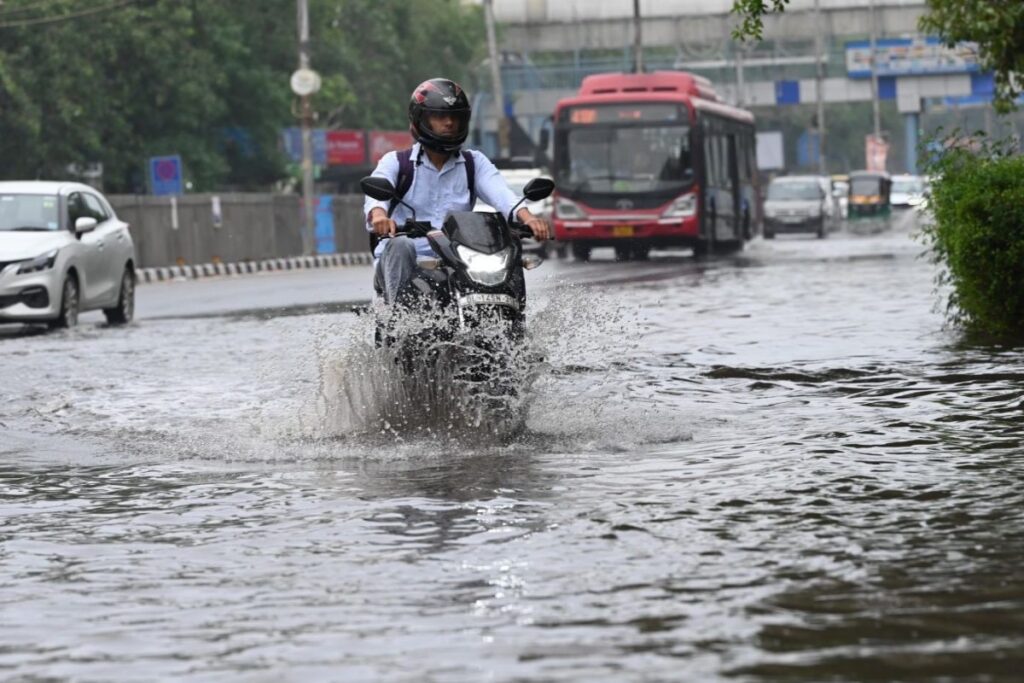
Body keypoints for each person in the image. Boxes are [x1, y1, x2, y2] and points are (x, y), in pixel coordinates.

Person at [364, 77, 550, 304]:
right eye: (439, 116)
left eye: (455, 117)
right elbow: (376, 195)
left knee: (509, 251)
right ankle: (399, 319)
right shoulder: (396, 162)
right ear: (420, 119)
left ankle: (514, 320)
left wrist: (528, 218)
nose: (449, 123)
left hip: (459, 260)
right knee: (401, 245)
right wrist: (380, 216)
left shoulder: (474, 163)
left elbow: (502, 194)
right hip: (409, 261)